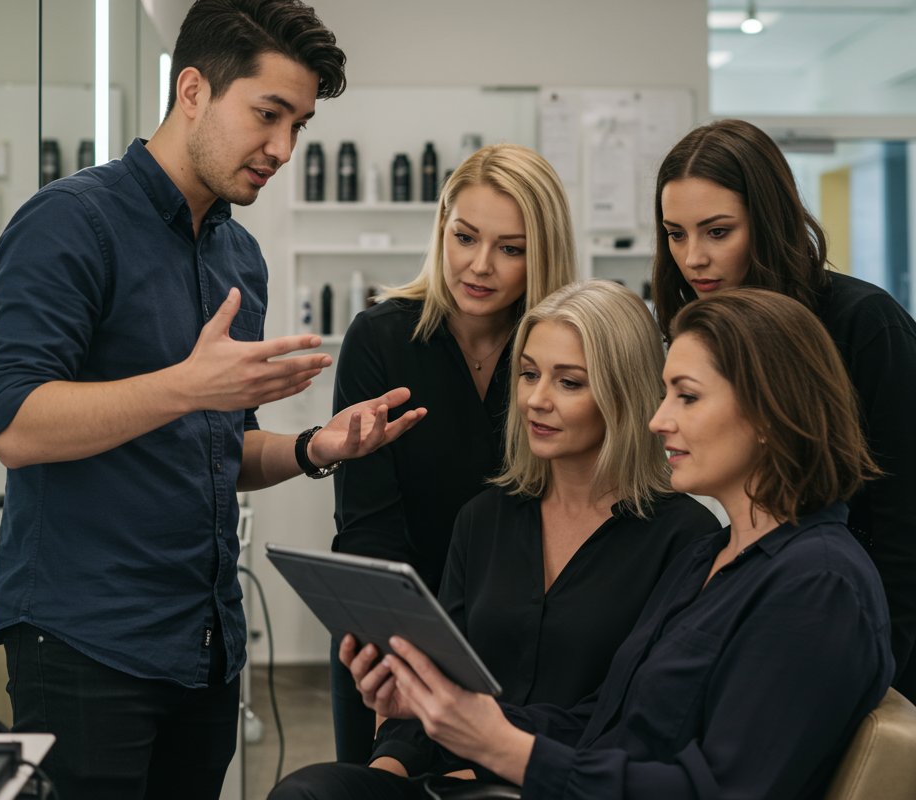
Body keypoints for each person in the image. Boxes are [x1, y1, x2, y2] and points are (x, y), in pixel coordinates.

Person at [0, 0, 426, 800]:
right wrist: (186, 386)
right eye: (268, 114)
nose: (284, 148)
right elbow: (17, 424)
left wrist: (314, 448)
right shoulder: (69, 223)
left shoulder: (237, 258)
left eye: (299, 124)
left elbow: (222, 447)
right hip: (86, 642)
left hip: (205, 647)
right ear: (193, 89)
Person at [272, 288, 893, 800]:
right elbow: (601, 722)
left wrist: (503, 748)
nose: (658, 419)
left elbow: (720, 790)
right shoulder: (720, 557)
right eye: (666, 392)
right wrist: (442, 708)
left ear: (769, 414)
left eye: (688, 397)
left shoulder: (817, 584)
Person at [366, 279, 718, 780]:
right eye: (529, 374)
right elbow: (436, 682)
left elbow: (628, 717)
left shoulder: (686, 538)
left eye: (569, 382)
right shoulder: (483, 518)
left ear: (624, 393)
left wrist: (479, 770)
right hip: (445, 775)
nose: (536, 399)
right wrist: (387, 770)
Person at [652, 117, 916, 701]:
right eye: (675, 233)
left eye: (718, 232)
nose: (693, 258)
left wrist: (881, 679)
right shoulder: (699, 329)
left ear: (768, 223)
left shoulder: (865, 325)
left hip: (865, 632)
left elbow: (906, 523)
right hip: (768, 612)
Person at [330, 143, 577, 761]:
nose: (479, 266)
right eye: (465, 236)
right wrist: (399, 664)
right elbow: (367, 531)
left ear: (542, 255)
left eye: (511, 249)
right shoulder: (380, 339)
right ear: (442, 224)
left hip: (524, 654)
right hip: (394, 644)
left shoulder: (560, 356)